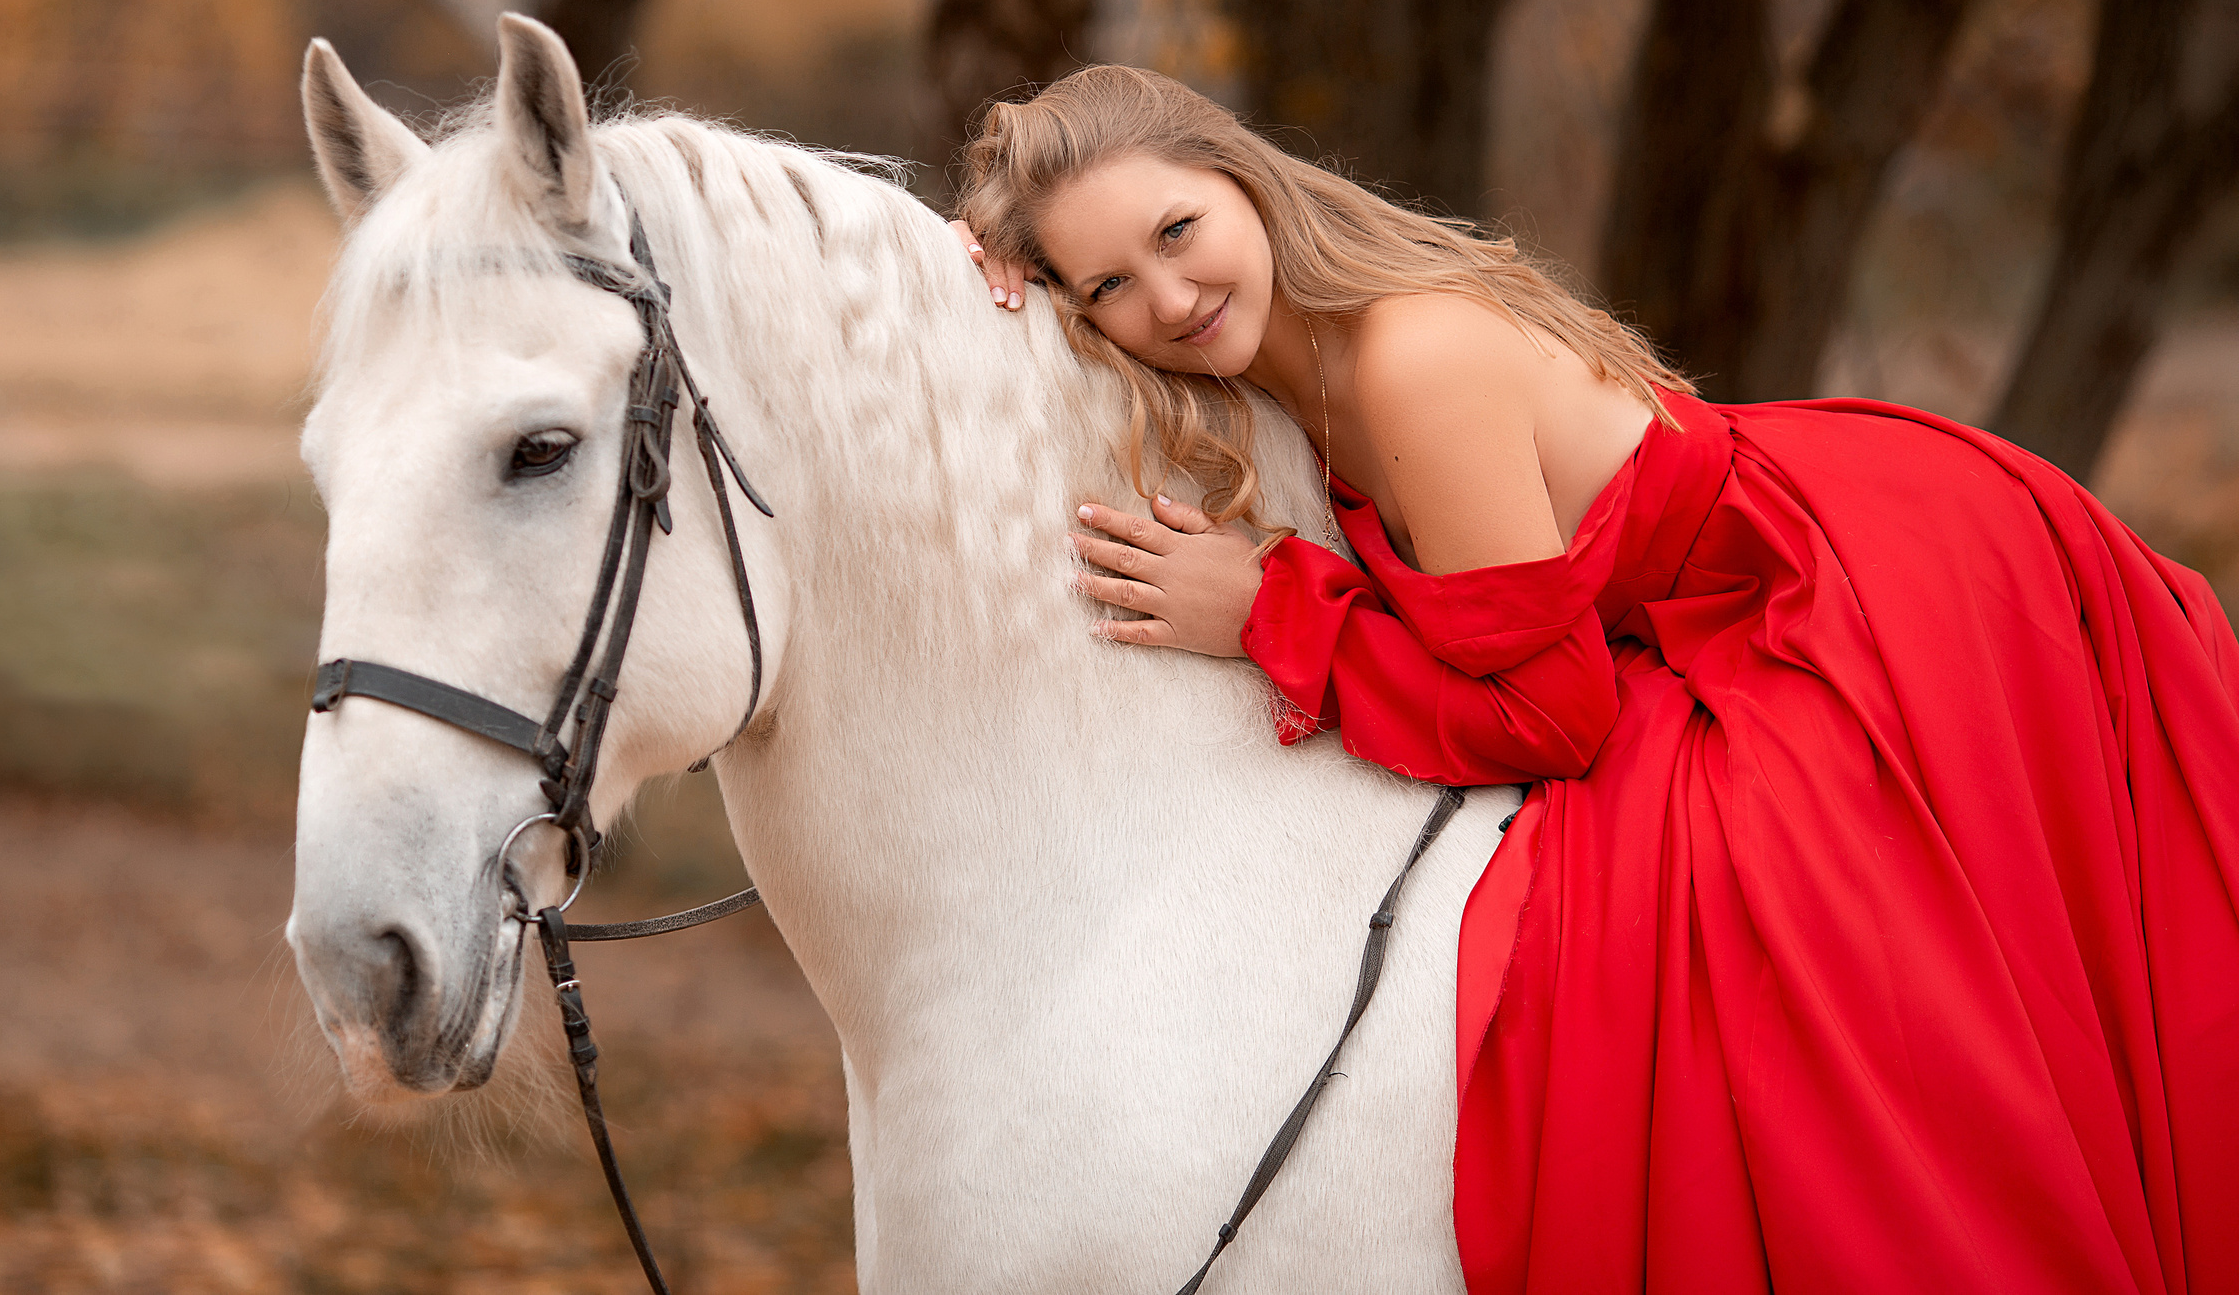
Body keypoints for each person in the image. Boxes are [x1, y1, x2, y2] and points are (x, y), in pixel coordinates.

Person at [947, 63, 2239, 1295]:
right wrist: (976, 266)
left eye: (1180, 229)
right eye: (1112, 284)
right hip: (1720, 602)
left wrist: (1274, 616)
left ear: (1243, 180)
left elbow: (1556, 720)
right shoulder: (1271, 371)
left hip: (1839, 603)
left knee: (1781, 965)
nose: (1169, 299)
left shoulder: (1407, 361)